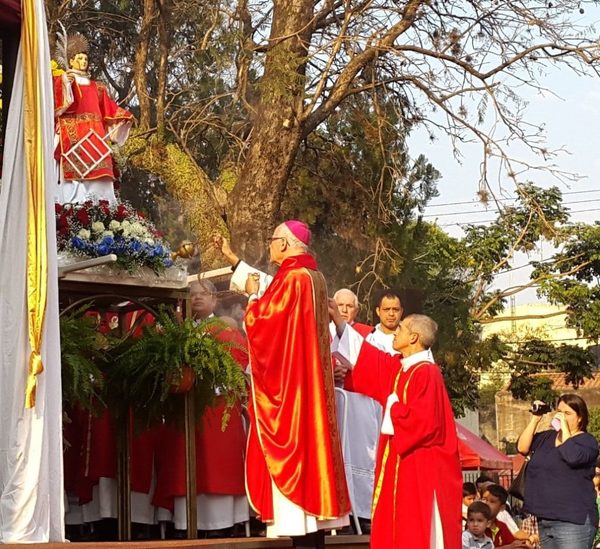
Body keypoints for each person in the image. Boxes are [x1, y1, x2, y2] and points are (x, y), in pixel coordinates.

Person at [238, 221, 350, 549]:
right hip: (311, 385)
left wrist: (252, 297)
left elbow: (264, 327)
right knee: (312, 520)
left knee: (299, 503)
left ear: (286, 244)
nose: (270, 247)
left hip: (293, 393)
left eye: (272, 240)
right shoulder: (315, 277)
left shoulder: (293, 278)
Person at [330, 308, 462, 548]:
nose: (394, 332)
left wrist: (393, 407)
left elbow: (423, 423)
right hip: (403, 462)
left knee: (419, 530)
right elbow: (372, 362)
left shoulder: (427, 373)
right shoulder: (404, 369)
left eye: (401, 328)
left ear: (413, 338)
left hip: (421, 467)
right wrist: (339, 321)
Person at [153, 279, 249, 536]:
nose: (196, 299)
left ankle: (220, 525)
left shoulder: (224, 329)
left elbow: (239, 359)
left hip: (217, 406)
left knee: (215, 464)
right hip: (185, 405)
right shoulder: (178, 333)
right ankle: (186, 523)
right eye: (191, 295)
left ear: (215, 300)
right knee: (185, 464)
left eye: (202, 294)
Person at [53, 33, 133, 204]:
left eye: (85, 59)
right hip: (72, 130)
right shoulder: (63, 80)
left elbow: (110, 108)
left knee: (100, 172)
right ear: (72, 61)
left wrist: (124, 117)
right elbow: (55, 103)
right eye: (80, 58)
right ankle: (72, 206)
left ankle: (101, 205)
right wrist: (65, 82)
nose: (83, 62)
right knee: (73, 172)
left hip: (95, 134)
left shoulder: (98, 87)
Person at [517, 394, 599, 549]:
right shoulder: (546, 437)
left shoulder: (587, 441)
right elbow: (522, 448)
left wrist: (565, 428)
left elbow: (572, 456)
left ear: (580, 418)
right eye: (559, 412)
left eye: (567, 413)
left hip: (573, 520)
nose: (562, 416)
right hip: (545, 518)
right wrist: (535, 418)